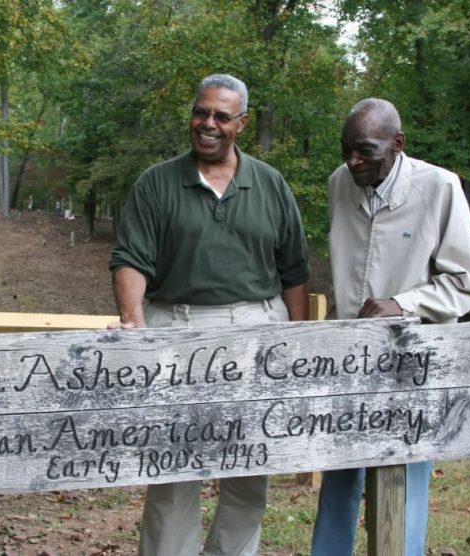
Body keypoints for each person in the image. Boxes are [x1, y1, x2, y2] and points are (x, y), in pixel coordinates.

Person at [108, 74, 310, 556]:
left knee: (249, 464)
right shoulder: (157, 182)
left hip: (258, 329)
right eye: (201, 112)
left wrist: (299, 344)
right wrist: (134, 326)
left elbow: (294, 270)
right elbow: (131, 260)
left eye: (222, 116)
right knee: (173, 465)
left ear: (241, 123)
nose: (209, 124)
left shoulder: (270, 183)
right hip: (175, 329)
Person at [311, 98, 470, 556]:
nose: (353, 161)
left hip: (415, 364)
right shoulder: (339, 183)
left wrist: (404, 304)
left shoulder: (439, 187)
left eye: (365, 151)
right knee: (339, 475)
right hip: (348, 361)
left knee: (406, 480)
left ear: (398, 144)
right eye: (346, 149)